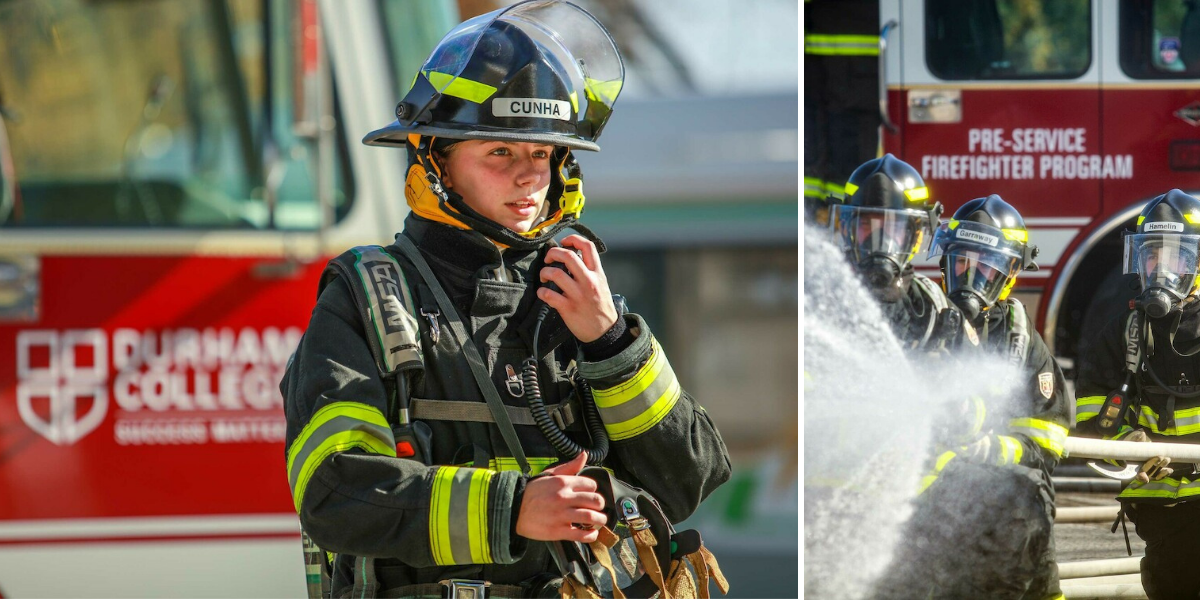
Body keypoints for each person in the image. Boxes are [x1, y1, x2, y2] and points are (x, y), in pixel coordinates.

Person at [280, 2, 731, 598]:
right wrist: (512, 509)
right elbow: (334, 492)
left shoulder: (576, 298)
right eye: (499, 153)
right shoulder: (366, 299)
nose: (529, 178)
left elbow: (689, 480)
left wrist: (611, 341)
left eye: (542, 154)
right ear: (435, 160)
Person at [876, 195, 1069, 599]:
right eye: (960, 260)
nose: (969, 275)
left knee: (1031, 527)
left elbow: (1048, 435)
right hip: (921, 502)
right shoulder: (922, 320)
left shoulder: (1021, 341)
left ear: (1011, 271)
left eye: (986, 265)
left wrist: (989, 449)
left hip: (1004, 503)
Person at [1076, 189, 1200, 599]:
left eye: (1175, 257)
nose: (1161, 268)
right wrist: (1125, 444)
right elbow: (1091, 424)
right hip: (1160, 513)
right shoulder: (1120, 334)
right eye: (1151, 256)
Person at [830, 153, 962, 353]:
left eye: (893, 227)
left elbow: (976, 375)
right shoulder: (824, 293)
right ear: (847, 230)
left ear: (916, 236)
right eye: (866, 224)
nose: (880, 239)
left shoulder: (934, 306)